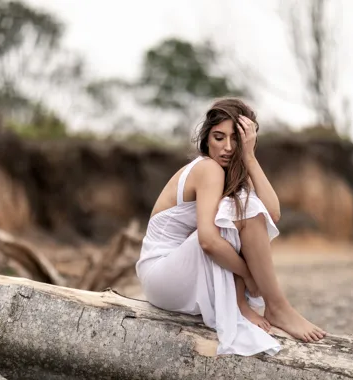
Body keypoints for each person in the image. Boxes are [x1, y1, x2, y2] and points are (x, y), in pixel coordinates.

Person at [135, 98, 326, 356]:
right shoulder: (208, 169)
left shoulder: (231, 172)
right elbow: (208, 242)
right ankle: (276, 307)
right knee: (235, 220)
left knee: (245, 213)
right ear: (206, 138)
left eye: (236, 139)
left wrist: (250, 157)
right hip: (162, 273)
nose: (227, 147)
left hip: (172, 277)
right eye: (218, 137)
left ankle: (263, 306)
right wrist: (248, 274)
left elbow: (272, 213)